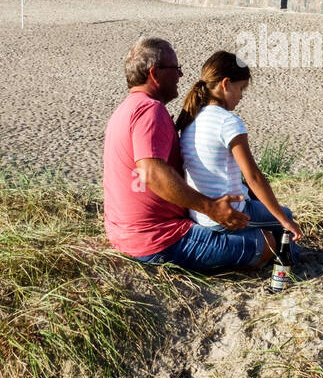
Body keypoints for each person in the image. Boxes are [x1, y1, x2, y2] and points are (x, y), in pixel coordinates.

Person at [103, 37, 270, 271]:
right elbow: (152, 173)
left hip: (123, 234)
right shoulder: (151, 110)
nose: (181, 75)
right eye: (176, 69)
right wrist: (211, 207)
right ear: (155, 73)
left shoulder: (125, 109)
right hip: (157, 239)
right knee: (268, 243)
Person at [176, 51, 302, 258]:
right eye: (241, 88)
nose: (241, 96)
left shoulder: (191, 119)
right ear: (226, 84)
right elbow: (254, 177)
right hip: (228, 213)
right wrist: (285, 221)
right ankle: (294, 263)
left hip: (200, 214)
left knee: (265, 211)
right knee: (285, 216)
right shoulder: (228, 122)